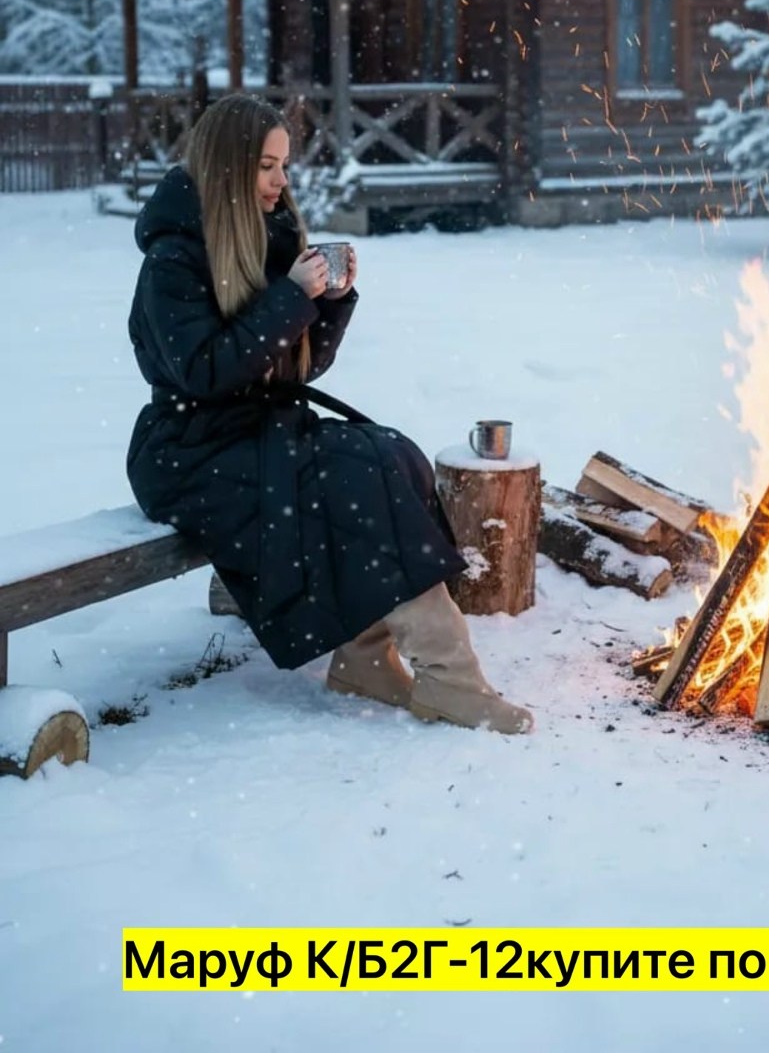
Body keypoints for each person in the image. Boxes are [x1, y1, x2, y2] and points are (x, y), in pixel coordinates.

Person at [126, 94, 532, 734]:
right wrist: (290, 297)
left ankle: (367, 659)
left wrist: (330, 303)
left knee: (389, 453)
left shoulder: (261, 239)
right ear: (228, 167)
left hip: (254, 434)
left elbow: (297, 371)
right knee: (355, 476)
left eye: (282, 165)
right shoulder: (171, 260)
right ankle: (452, 679)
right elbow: (205, 371)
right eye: (265, 166)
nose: (280, 181)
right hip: (190, 452)